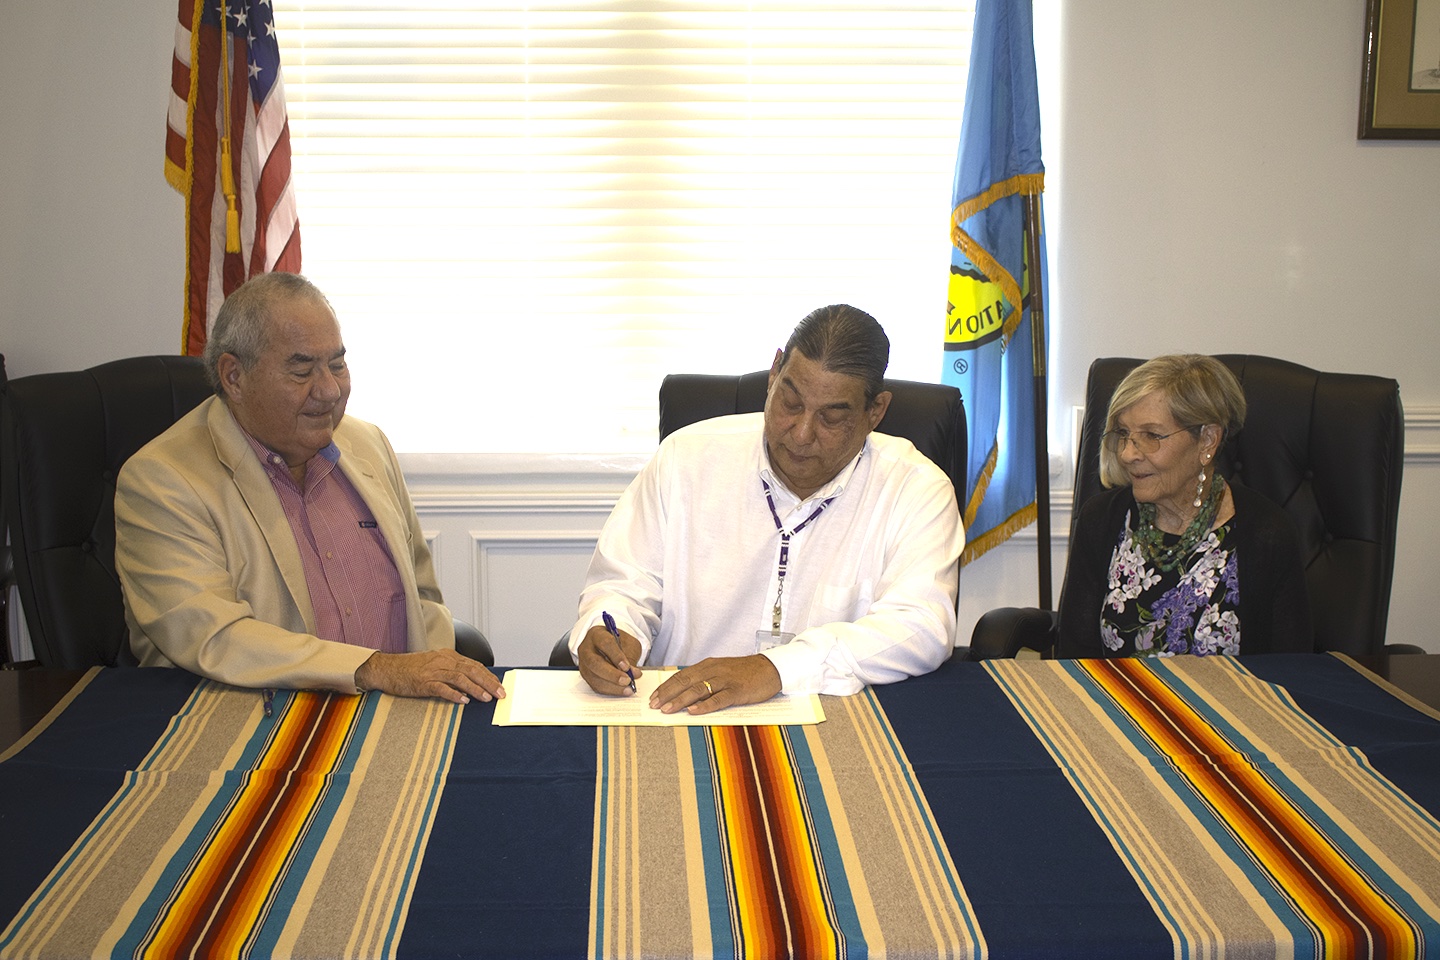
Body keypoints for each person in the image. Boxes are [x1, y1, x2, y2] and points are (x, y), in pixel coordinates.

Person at [115, 272, 503, 704]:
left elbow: (423, 593)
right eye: (302, 371)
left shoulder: (368, 444)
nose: (330, 389)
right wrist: (375, 669)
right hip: (251, 723)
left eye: (337, 364)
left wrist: (432, 672)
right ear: (234, 377)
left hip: (400, 713)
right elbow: (214, 636)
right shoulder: (162, 480)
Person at [568, 304, 964, 714]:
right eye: (790, 404)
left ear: (875, 412)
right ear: (774, 373)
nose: (802, 433)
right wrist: (612, 628)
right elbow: (624, 585)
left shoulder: (916, 489)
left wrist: (774, 669)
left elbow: (921, 626)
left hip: (837, 723)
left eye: (830, 418)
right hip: (676, 713)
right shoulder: (685, 460)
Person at [1058, 354, 1313, 658]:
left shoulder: (1267, 534)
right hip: (1116, 701)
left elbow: (1289, 669)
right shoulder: (1102, 520)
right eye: (1124, 434)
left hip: (1225, 705)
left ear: (1207, 440)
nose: (1127, 454)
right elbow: (1072, 657)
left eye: (1151, 435)